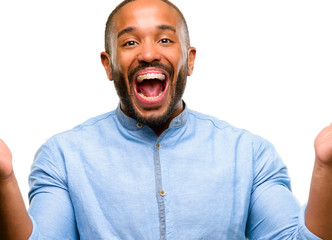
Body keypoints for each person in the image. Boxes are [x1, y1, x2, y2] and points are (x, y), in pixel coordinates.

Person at [0, 0, 331, 239]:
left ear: (188, 61)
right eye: (130, 42)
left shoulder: (250, 154)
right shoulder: (62, 156)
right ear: (108, 64)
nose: (147, 53)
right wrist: (3, 181)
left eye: (164, 39)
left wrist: (325, 167)